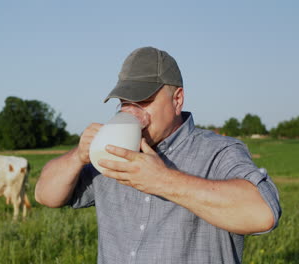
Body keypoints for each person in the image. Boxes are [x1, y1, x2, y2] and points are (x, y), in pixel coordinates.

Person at [35, 46, 281, 264]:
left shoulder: (218, 151)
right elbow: (45, 195)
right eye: (125, 103)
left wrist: (162, 180)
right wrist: (78, 156)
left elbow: (263, 214)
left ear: (177, 100)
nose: (133, 112)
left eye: (144, 100)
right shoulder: (114, 153)